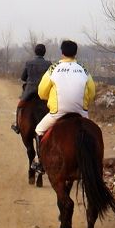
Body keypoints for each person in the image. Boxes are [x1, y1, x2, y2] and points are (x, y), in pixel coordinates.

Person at [31, 39, 96, 173]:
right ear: (75, 53)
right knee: (92, 134)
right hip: (81, 112)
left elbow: (42, 92)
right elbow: (92, 92)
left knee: (38, 130)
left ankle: (39, 162)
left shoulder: (53, 68)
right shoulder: (84, 69)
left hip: (58, 112)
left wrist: (50, 99)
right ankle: (94, 163)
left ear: (62, 52)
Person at [11, 44, 51, 134]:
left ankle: (17, 126)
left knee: (20, 106)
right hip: (44, 93)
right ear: (44, 53)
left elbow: (23, 77)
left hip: (29, 92)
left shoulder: (28, 63)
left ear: (35, 52)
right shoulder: (49, 64)